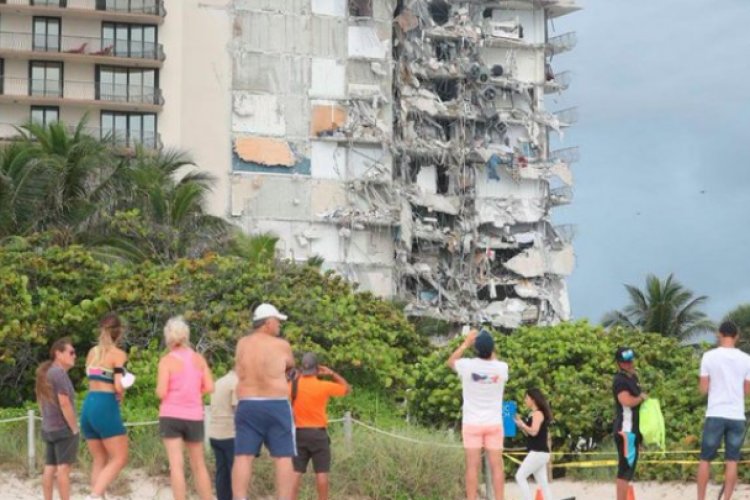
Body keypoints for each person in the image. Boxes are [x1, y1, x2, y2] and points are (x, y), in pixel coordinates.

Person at [232, 303, 295, 500]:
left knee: (243, 455)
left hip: (248, 402)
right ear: (267, 323)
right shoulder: (282, 345)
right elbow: (291, 366)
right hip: (276, 403)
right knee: (283, 456)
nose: (279, 326)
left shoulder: (242, 343)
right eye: (277, 322)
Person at [156, 316, 214, 500]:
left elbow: (161, 392)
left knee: (176, 465)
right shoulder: (199, 359)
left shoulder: (166, 361)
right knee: (199, 464)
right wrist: (196, 391)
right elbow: (210, 387)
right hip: (194, 415)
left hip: (171, 414)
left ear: (168, 338)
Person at [447, 329, 508, 500]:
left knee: (472, 467)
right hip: (494, 423)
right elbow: (494, 359)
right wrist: (488, 345)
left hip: (472, 423)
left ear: (476, 349)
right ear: (492, 349)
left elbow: (450, 361)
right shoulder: (502, 368)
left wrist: (466, 343)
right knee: (497, 466)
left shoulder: (467, 365)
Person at [697, 321, 750, 500]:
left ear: (719, 334)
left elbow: (703, 389)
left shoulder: (708, 356)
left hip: (715, 412)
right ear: (737, 336)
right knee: (732, 461)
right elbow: (747, 390)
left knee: (705, 459)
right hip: (736, 414)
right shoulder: (746, 359)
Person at [81, 313, 129, 500]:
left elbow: (92, 378)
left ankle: (97, 495)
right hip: (105, 404)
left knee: (99, 459)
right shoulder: (119, 354)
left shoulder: (92, 352)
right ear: (120, 332)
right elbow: (118, 385)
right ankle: (93, 496)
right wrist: (123, 389)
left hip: (89, 404)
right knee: (119, 457)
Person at [290, 353, 351, 500]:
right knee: (322, 473)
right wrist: (331, 373)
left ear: (302, 369)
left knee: (296, 472)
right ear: (317, 369)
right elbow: (347, 388)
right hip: (318, 434)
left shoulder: (293, 385)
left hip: (299, 433)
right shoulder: (323, 386)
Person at [36, 337, 79, 500]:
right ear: (58, 354)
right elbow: (64, 403)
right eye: (71, 352)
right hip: (62, 428)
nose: (74, 356)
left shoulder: (46, 373)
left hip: (49, 428)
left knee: (49, 468)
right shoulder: (59, 374)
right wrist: (74, 428)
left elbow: (41, 402)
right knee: (63, 470)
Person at [612, 346, 647, 500]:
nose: (629, 363)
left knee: (628, 470)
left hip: (632, 431)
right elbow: (625, 401)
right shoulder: (620, 380)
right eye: (625, 362)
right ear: (619, 363)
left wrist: (639, 437)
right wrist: (641, 398)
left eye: (630, 360)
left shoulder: (632, 377)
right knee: (625, 471)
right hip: (625, 431)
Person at [514, 388, 553, 500]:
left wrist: (523, 425)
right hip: (540, 453)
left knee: (520, 476)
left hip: (538, 452)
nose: (525, 400)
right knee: (543, 484)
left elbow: (534, 431)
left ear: (533, 399)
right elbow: (529, 434)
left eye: (526, 398)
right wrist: (521, 425)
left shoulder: (537, 414)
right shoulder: (534, 414)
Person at [209, 368, 239, 500]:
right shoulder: (236, 383)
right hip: (229, 434)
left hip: (214, 433)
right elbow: (237, 410)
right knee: (236, 473)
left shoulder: (218, 382)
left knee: (222, 473)